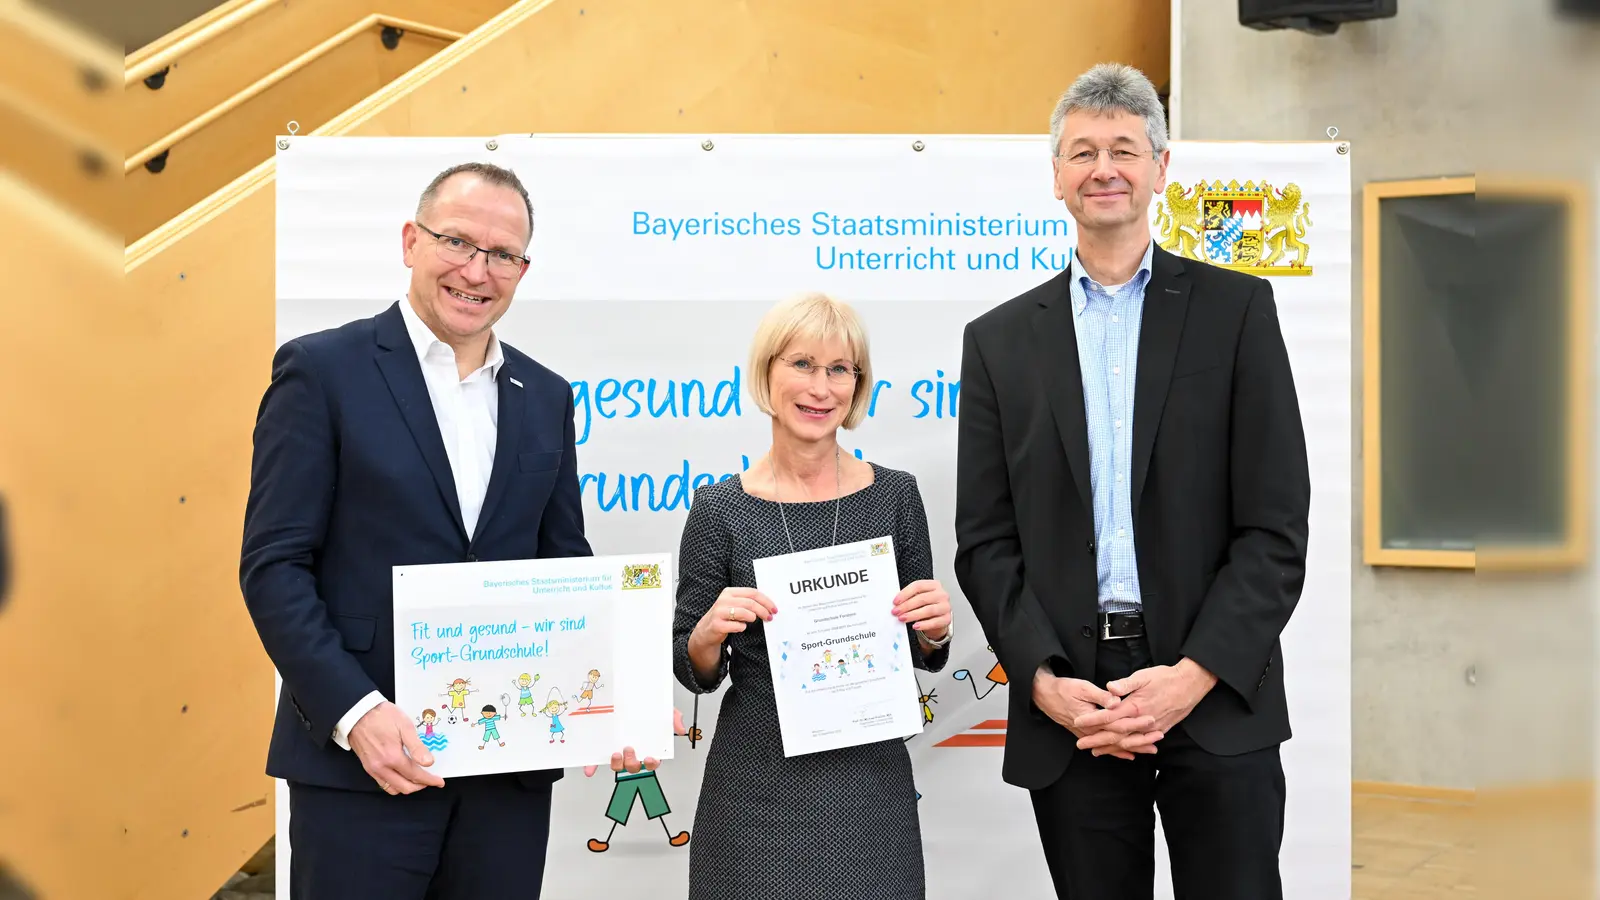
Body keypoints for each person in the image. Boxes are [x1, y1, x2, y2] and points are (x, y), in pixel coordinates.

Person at [240, 161, 670, 899]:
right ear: (411, 240)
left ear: (523, 269)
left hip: (506, 781)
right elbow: (274, 566)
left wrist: (622, 698)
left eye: (503, 254)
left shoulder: (546, 396)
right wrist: (357, 714)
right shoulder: (322, 371)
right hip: (363, 770)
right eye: (458, 242)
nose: (478, 270)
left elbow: (564, 562)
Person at [953, 63, 1310, 899]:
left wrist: (1191, 677)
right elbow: (986, 543)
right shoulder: (998, 342)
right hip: (1073, 701)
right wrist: (1045, 684)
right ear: (1056, 178)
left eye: (1123, 148)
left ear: (1160, 166)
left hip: (1217, 689)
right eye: (1082, 152)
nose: (1103, 168)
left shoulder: (1238, 311)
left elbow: (1275, 529)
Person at [671, 292, 953, 900]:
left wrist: (932, 631)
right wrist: (706, 635)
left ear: (857, 384)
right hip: (755, 790)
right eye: (801, 364)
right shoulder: (718, 510)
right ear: (767, 372)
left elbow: (920, 652)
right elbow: (692, 670)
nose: (820, 387)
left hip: (869, 790)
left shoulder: (897, 497)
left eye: (838, 370)